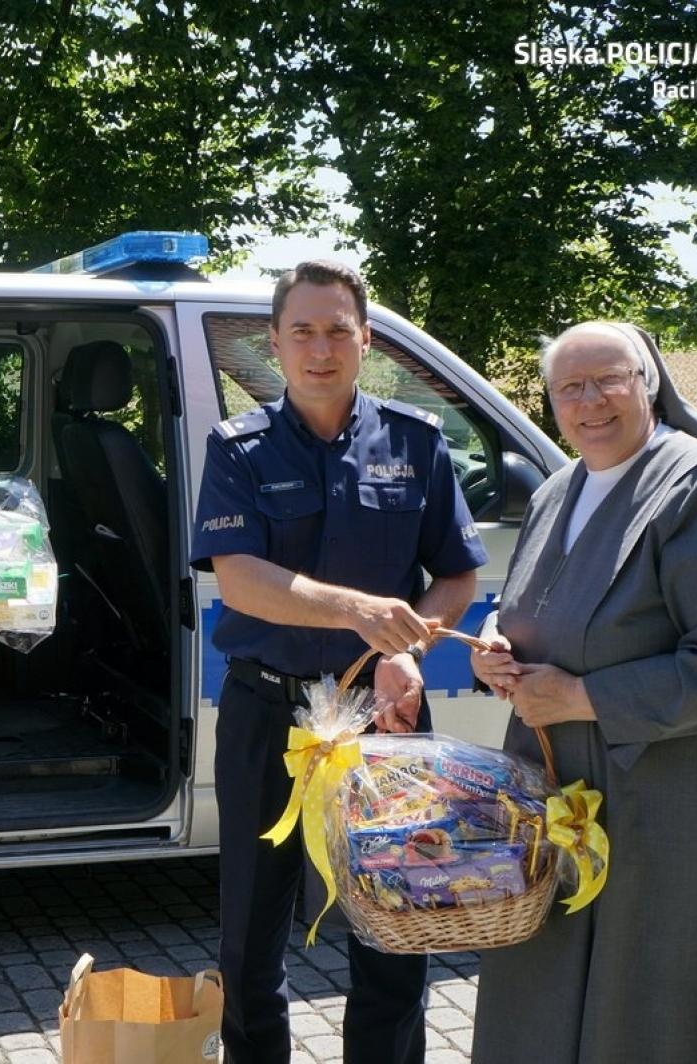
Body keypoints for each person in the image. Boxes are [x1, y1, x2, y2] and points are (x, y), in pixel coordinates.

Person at [189, 260, 489, 1064]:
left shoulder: (416, 442)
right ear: (276, 345)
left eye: (337, 331)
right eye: (302, 332)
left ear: (365, 341)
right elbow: (241, 579)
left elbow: (458, 573)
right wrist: (358, 612)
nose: (320, 349)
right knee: (251, 939)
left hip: (385, 722)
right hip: (269, 716)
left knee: (395, 929)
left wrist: (413, 647)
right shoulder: (238, 449)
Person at [469, 322, 697, 1063]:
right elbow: (537, 610)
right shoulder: (555, 490)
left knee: (659, 1000)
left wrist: (584, 699)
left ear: (649, 383)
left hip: (677, 796)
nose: (590, 401)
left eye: (610, 379)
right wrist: (498, 645)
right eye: (569, 387)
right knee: (543, 979)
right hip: (566, 788)